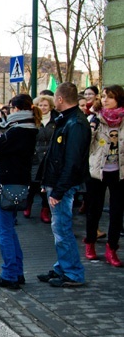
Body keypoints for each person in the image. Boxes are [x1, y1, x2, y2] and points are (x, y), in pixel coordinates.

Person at [37, 82, 91, 287]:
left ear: (60, 99)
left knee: (62, 229)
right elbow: (54, 155)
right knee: (59, 228)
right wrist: (46, 181)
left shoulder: (75, 123)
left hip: (64, 185)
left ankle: (73, 272)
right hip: (58, 183)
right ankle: (63, 267)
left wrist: (58, 189)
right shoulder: (66, 120)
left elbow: (72, 161)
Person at [0, 94, 40, 289]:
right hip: (20, 182)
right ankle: (17, 271)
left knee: (5, 231)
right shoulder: (31, 128)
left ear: (16, 109)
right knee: (10, 229)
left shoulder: (16, 131)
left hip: (6, 183)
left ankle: (9, 274)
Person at [84, 85, 124, 267]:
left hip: (119, 172)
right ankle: (90, 243)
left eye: (110, 97)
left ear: (119, 100)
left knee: (117, 212)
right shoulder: (96, 118)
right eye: (104, 96)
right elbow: (86, 142)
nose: (106, 100)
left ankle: (112, 249)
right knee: (95, 210)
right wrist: (91, 124)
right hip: (97, 172)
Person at [25, 94, 57, 223]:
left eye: (45, 105)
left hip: (49, 157)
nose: (43, 108)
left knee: (47, 185)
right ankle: (28, 205)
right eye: (40, 105)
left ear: (50, 107)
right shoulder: (32, 120)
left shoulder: (56, 121)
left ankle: (45, 210)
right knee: (32, 184)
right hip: (35, 157)